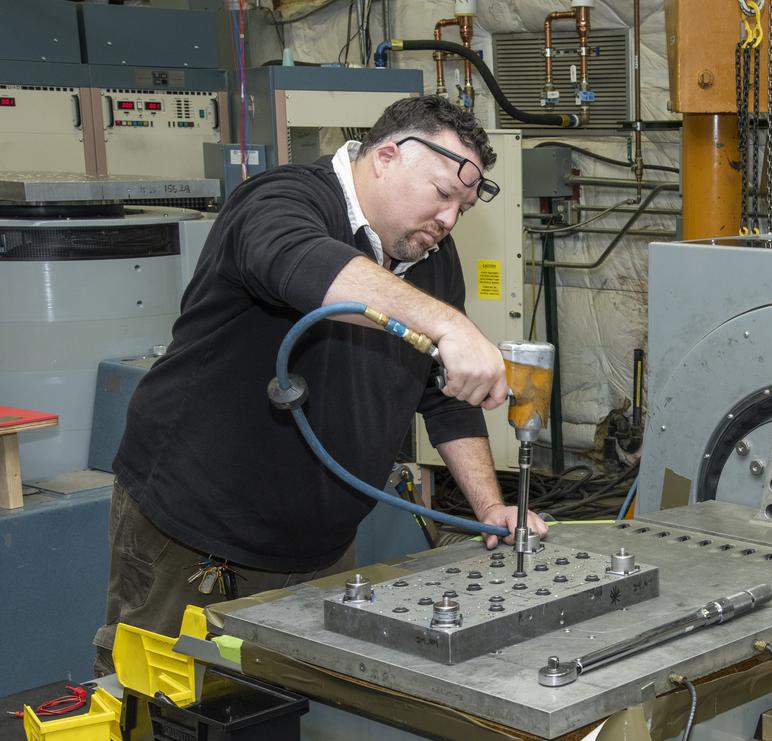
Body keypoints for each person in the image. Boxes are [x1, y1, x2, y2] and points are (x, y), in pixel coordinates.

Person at [93, 95, 548, 675]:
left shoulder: (431, 257)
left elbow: (443, 396)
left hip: (321, 546)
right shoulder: (280, 200)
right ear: (386, 157)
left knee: (302, 710)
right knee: (163, 703)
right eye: (441, 195)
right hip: (196, 532)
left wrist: (490, 507)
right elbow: (300, 260)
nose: (449, 220)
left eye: (462, 208)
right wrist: (450, 325)